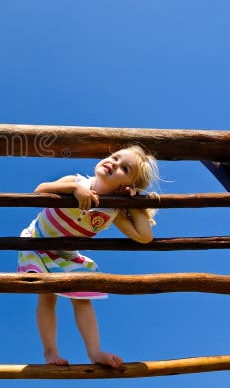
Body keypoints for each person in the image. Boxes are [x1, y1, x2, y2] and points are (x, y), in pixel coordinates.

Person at [18, 146, 159, 368]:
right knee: (46, 294)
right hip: (38, 243)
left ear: (126, 186)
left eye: (124, 168)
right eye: (115, 157)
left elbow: (144, 236)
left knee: (83, 296)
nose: (114, 163)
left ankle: (94, 352)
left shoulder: (112, 210)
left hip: (66, 255)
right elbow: (39, 190)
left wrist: (136, 203)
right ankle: (50, 351)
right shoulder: (77, 181)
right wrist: (74, 189)